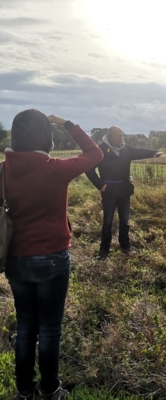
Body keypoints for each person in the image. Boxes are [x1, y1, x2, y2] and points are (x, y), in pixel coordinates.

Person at [1, 110, 103, 400]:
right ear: (45, 138)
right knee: (48, 329)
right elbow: (95, 153)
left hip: (15, 259)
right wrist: (68, 124)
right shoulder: (55, 168)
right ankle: (50, 391)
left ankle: (23, 392)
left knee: (25, 328)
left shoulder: (2, 170)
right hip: (52, 258)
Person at [85, 126, 162, 258]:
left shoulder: (126, 149)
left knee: (125, 220)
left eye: (122, 135)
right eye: (118, 136)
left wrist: (154, 152)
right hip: (109, 190)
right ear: (110, 135)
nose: (121, 138)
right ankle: (104, 250)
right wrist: (101, 185)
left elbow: (139, 152)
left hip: (124, 190)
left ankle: (125, 247)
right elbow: (89, 169)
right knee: (108, 221)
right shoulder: (100, 150)